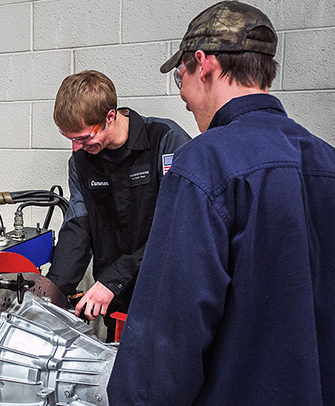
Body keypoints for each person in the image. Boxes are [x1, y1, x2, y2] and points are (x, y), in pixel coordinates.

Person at [108, 1, 335, 405]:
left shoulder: (205, 162)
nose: (182, 95)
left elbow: (169, 336)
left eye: (180, 78)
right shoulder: (326, 160)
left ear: (204, 64)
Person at [46, 70, 190, 342]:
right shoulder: (81, 161)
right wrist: (50, 293)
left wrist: (113, 280)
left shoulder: (164, 140)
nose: (77, 148)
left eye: (84, 138)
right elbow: (79, 226)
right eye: (71, 140)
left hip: (165, 292)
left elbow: (177, 229)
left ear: (109, 116)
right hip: (115, 299)